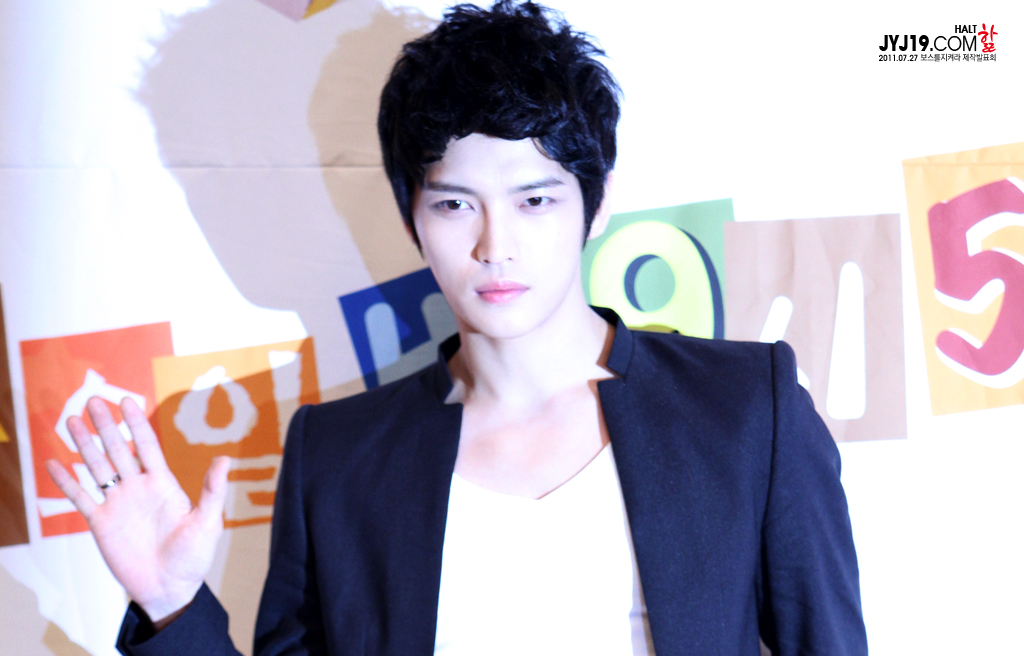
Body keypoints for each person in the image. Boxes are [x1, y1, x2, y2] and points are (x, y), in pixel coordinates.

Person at [45, 2, 868, 655]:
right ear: (412, 218)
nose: (494, 245)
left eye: (534, 199)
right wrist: (172, 605)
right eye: (454, 204)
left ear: (597, 204)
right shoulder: (337, 458)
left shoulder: (745, 409)